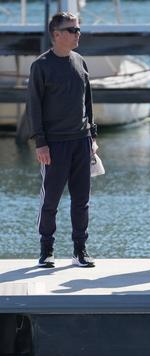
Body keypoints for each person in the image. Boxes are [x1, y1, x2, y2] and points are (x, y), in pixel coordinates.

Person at [28, 12, 97, 268]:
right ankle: (47, 250)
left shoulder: (80, 62)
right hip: (54, 144)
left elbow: (87, 102)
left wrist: (93, 136)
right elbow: (34, 107)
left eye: (78, 29)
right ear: (57, 35)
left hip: (81, 141)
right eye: (72, 30)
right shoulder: (41, 66)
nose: (78, 34)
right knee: (50, 200)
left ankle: (80, 250)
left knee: (82, 200)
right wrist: (40, 142)